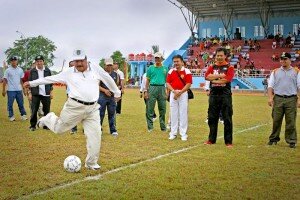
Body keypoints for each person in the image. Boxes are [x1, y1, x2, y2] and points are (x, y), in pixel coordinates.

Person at [23, 49, 121, 170]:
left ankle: (91, 163)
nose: (79, 64)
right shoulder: (68, 72)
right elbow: (51, 79)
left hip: (92, 109)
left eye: (81, 61)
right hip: (74, 107)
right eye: (76, 61)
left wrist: (117, 92)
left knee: (96, 136)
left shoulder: (95, 68)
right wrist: (32, 83)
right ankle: (49, 118)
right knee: (59, 129)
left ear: (86, 59)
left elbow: (107, 78)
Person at [267, 52, 300, 148]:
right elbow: (270, 86)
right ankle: (273, 139)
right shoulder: (275, 71)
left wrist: (299, 99)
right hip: (278, 98)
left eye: (285, 59)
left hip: (291, 98)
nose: (283, 61)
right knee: (276, 120)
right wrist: (270, 98)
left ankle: (291, 140)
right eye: (281, 59)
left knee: (291, 121)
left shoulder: (296, 71)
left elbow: (299, 86)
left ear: (290, 60)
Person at [204, 48, 234, 147]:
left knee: (227, 118)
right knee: (212, 118)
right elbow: (206, 76)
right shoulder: (212, 66)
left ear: (225, 56)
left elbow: (227, 80)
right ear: (215, 56)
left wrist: (214, 79)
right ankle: (211, 140)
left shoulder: (230, 67)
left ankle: (228, 141)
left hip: (225, 95)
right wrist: (220, 76)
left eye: (221, 55)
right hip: (213, 95)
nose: (219, 57)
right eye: (217, 55)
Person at [166, 55, 192, 141]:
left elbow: (188, 84)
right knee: (173, 113)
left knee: (183, 113)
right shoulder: (171, 71)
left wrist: (180, 92)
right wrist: (173, 91)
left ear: (182, 62)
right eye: (175, 62)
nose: (176, 63)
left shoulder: (187, 71)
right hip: (173, 93)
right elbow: (168, 83)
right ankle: (173, 133)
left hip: (183, 93)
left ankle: (183, 133)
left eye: (177, 61)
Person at [144, 52, 168, 132]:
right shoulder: (150, 68)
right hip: (152, 88)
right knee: (150, 108)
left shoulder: (165, 68)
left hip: (162, 88)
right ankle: (150, 127)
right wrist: (146, 91)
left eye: (158, 58)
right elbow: (147, 80)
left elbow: (167, 81)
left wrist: (167, 91)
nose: (157, 59)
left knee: (162, 108)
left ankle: (163, 127)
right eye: (156, 58)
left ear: (161, 58)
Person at [28, 55, 53, 131]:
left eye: (40, 61)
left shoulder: (47, 70)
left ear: (43, 62)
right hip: (36, 93)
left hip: (46, 93)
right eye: (37, 61)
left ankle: (46, 125)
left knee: (47, 110)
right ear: (35, 62)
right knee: (34, 110)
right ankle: (32, 126)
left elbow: (50, 82)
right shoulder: (32, 71)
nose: (39, 63)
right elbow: (30, 83)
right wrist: (29, 93)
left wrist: (51, 92)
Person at [98, 58, 120, 136]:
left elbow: (117, 85)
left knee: (112, 113)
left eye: (111, 65)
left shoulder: (116, 75)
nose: (109, 66)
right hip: (102, 96)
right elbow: (96, 85)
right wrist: (105, 91)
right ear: (104, 65)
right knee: (100, 113)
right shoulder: (100, 74)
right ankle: (98, 129)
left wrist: (117, 94)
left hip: (112, 97)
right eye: (108, 65)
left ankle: (113, 130)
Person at [2, 56, 27, 121]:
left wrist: (24, 89)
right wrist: (3, 90)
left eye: (15, 60)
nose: (14, 62)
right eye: (12, 60)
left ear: (17, 61)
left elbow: (22, 80)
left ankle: (23, 115)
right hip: (10, 90)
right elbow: (5, 80)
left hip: (19, 90)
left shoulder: (20, 70)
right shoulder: (7, 70)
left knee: (21, 103)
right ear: (10, 62)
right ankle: (11, 116)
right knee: (10, 104)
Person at [66, 60, 78, 134]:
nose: (72, 67)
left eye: (73, 65)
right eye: (71, 65)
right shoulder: (67, 74)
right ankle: (73, 129)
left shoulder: (81, 73)